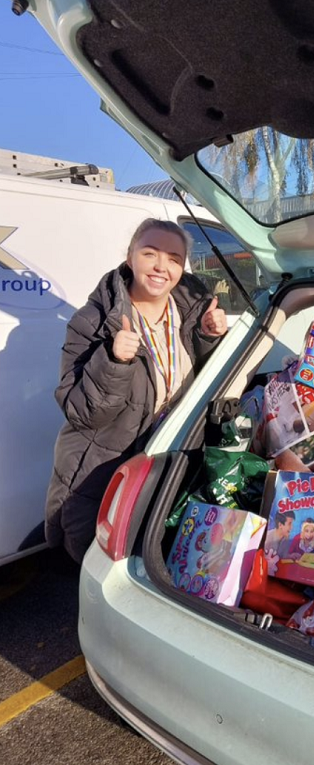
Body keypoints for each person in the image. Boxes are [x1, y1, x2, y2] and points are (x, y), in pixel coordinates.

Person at [45, 218, 228, 563]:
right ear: (130, 258)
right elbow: (82, 413)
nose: (162, 266)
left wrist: (209, 338)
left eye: (174, 258)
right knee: (98, 566)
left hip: (166, 463)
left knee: (153, 562)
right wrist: (114, 361)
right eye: (150, 253)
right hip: (103, 469)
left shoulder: (192, 313)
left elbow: (203, 386)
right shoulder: (95, 321)